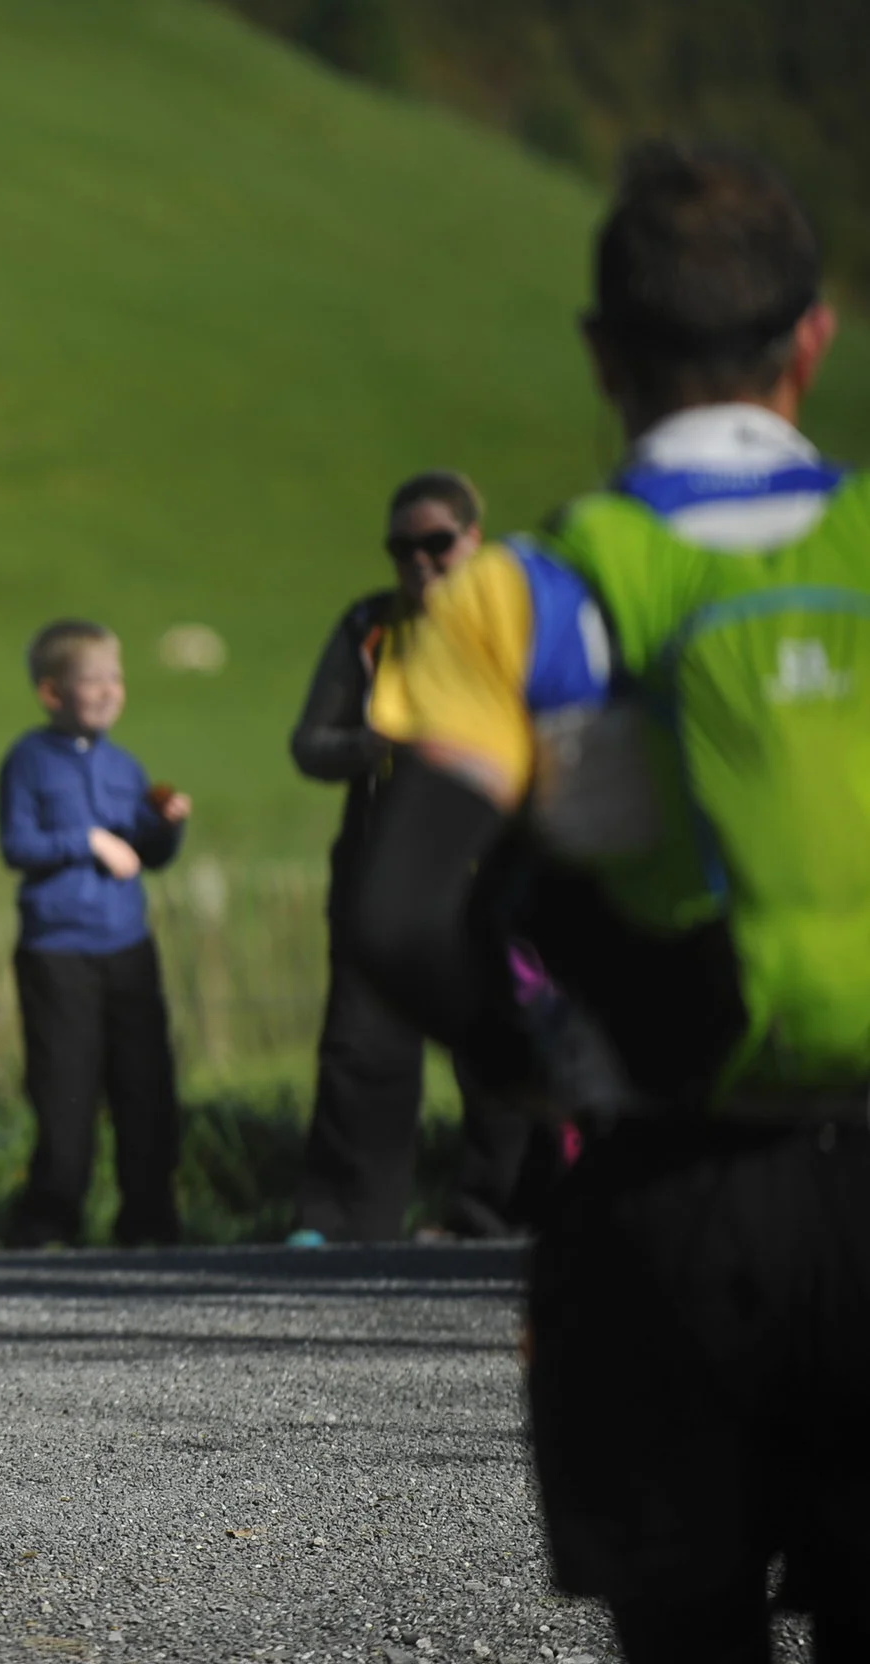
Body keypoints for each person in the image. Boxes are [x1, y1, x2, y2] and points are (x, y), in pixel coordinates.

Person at [353, 141, 866, 1661]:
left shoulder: (524, 593)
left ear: (600, 355)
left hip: (662, 1195)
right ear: (812, 338)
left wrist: (523, 1063)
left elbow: (394, 915)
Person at [288, 473, 561, 1244]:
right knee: (361, 1049)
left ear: (474, 537)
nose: (420, 561)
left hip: (499, 871)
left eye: (436, 542)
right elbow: (310, 744)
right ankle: (345, 1221)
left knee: (502, 1042)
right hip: (386, 870)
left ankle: (499, 1211)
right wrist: (376, 745)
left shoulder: (521, 625)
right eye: (402, 548)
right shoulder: (370, 626)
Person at [0, 621, 191, 1248]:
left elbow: (150, 855)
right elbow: (16, 845)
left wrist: (166, 826)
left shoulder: (126, 767)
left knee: (145, 1086)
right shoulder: (26, 762)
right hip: (58, 952)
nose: (110, 691)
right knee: (66, 1093)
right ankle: (50, 1226)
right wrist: (86, 841)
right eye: (93, 680)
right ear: (53, 693)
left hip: (127, 946)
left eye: (117, 678)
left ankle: (150, 1224)